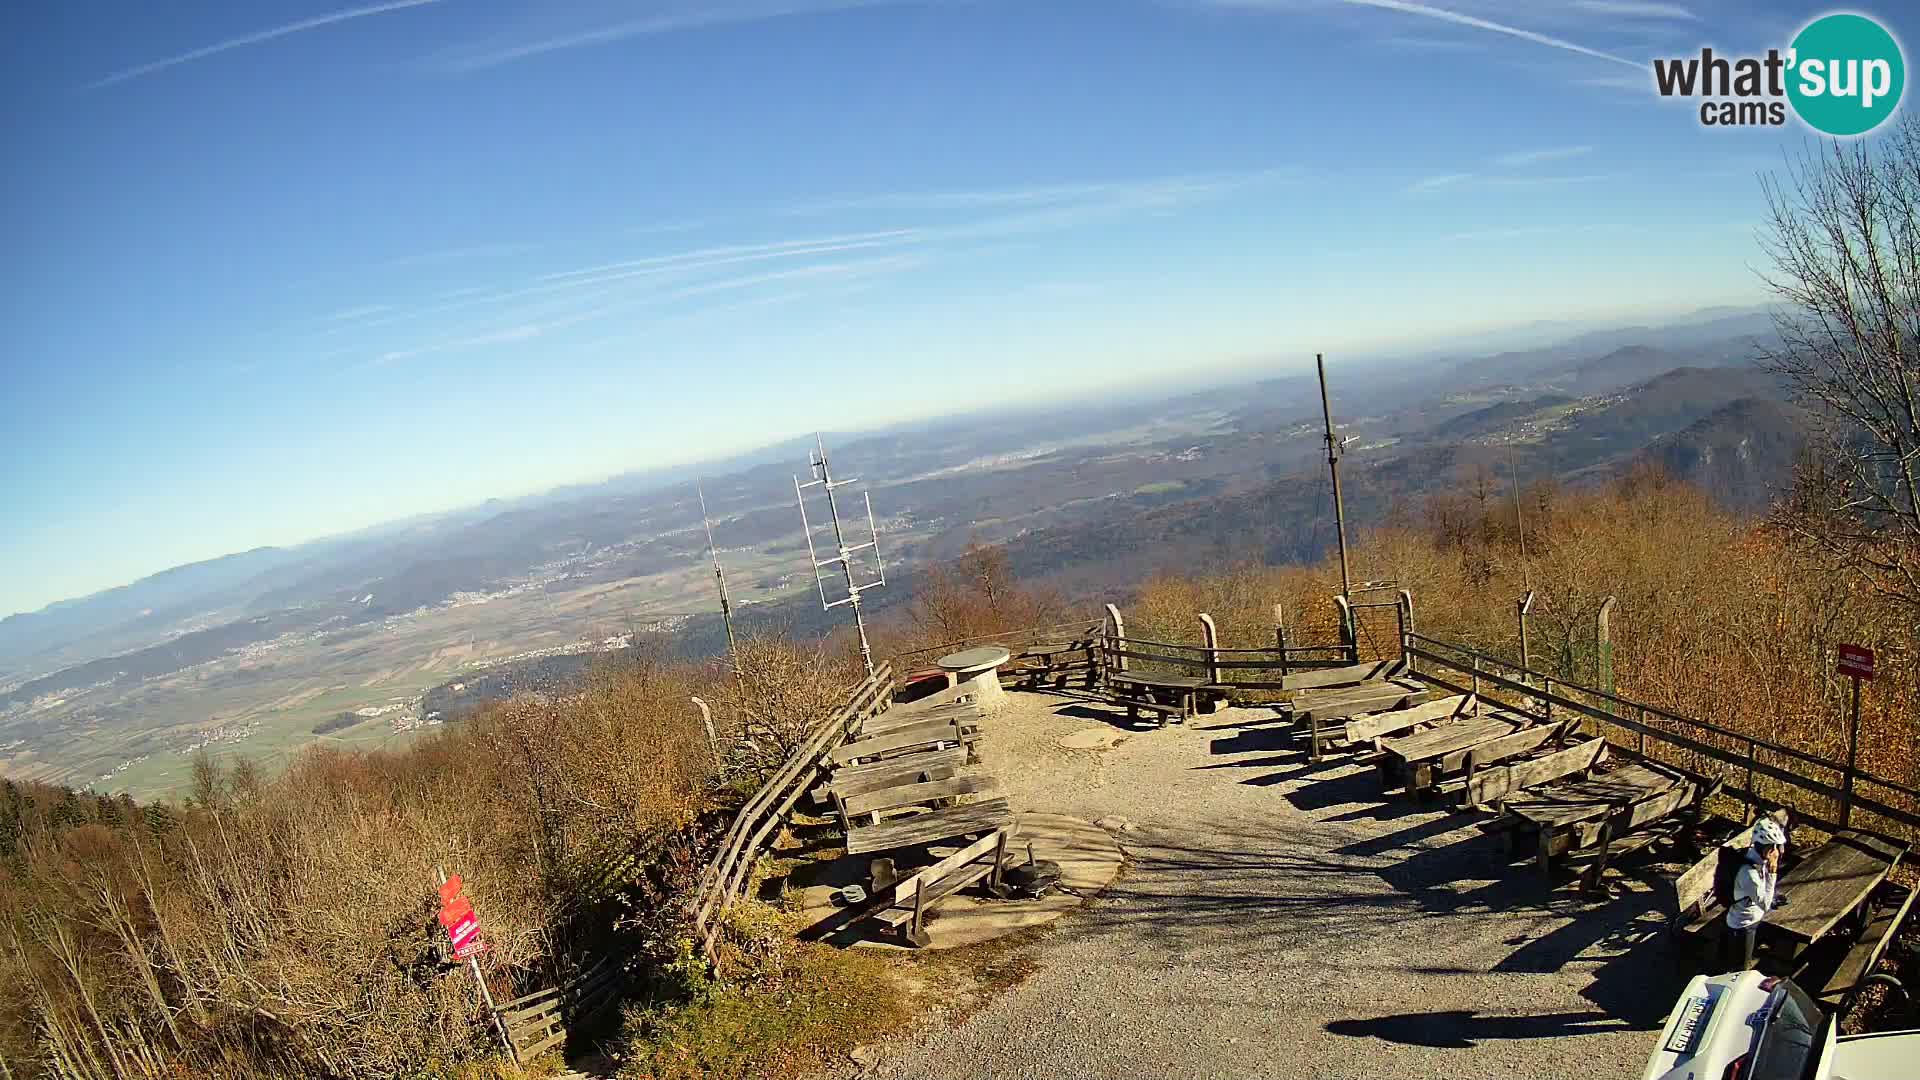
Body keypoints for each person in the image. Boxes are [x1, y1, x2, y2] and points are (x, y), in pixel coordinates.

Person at [1725, 817, 1789, 970]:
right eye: (1773, 847)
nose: (1776, 851)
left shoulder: (1755, 857)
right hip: (1743, 925)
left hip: (1751, 917)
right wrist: (1773, 871)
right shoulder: (1749, 873)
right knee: (1740, 969)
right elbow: (1765, 904)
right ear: (1763, 847)